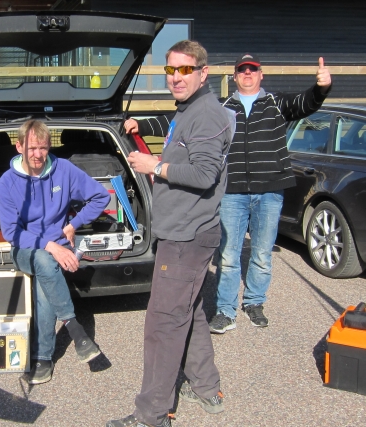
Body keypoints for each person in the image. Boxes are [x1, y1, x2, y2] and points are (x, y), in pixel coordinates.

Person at [109, 40, 234, 427]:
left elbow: (202, 174)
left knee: (163, 325)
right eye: (170, 70)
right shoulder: (189, 110)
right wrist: (142, 128)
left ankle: (152, 414)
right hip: (184, 233)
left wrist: (155, 165)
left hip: (186, 238)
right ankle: (207, 387)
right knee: (189, 311)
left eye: (184, 70)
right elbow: (178, 135)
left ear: (202, 72)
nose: (175, 78)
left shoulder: (208, 115)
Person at [206, 53, 332, 334]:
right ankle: (226, 311)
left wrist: (322, 88)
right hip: (232, 192)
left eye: (253, 69)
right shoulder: (222, 107)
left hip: (270, 192)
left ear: (261, 74)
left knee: (262, 253)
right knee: (228, 254)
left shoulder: (277, 103)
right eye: (242, 70)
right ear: (235, 76)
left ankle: (254, 302)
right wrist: (141, 124)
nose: (247, 73)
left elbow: (307, 102)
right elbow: (186, 121)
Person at [0, 119, 110, 385]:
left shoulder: (63, 170)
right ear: (19, 147)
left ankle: (42, 359)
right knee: (44, 260)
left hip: (56, 250)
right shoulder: (7, 182)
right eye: (32, 148)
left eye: (44, 148)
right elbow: (11, 232)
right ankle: (74, 327)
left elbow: (100, 197)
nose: (38, 155)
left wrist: (73, 224)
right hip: (25, 249)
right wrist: (49, 245)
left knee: (46, 275)